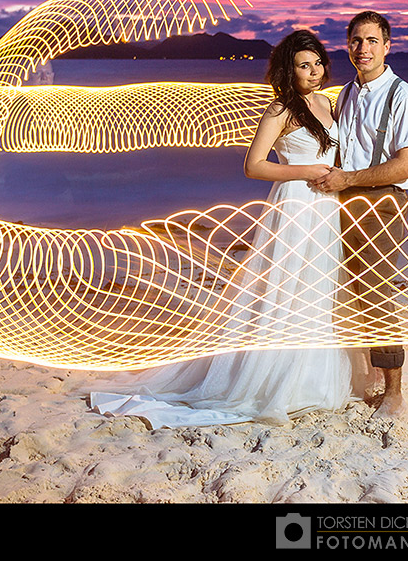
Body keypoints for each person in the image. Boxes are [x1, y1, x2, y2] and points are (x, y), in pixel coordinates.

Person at [89, 30, 365, 428]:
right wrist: (307, 171)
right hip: (295, 203)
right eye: (304, 65)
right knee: (284, 287)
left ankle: (311, 380)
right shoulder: (279, 110)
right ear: (289, 71)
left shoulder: (328, 103)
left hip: (326, 207)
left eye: (318, 63)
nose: (314, 71)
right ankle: (268, 379)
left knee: (318, 288)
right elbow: (254, 165)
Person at [309, 11, 408, 419]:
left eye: (372, 41)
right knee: (351, 292)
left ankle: (394, 392)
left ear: (387, 46)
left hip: (381, 201)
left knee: (376, 292)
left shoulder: (402, 95)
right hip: (342, 199)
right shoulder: (345, 94)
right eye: (356, 41)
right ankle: (368, 376)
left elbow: (406, 166)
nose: (363, 49)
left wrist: (349, 180)